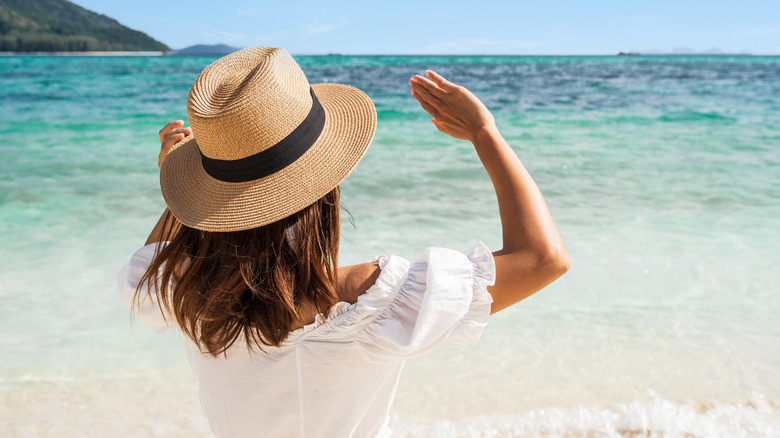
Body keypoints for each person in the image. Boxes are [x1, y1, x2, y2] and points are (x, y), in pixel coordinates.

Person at [117, 47, 569, 438]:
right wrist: (484, 132)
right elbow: (542, 258)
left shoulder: (187, 297)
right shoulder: (368, 305)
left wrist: (189, 192)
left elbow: (149, 262)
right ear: (325, 191)